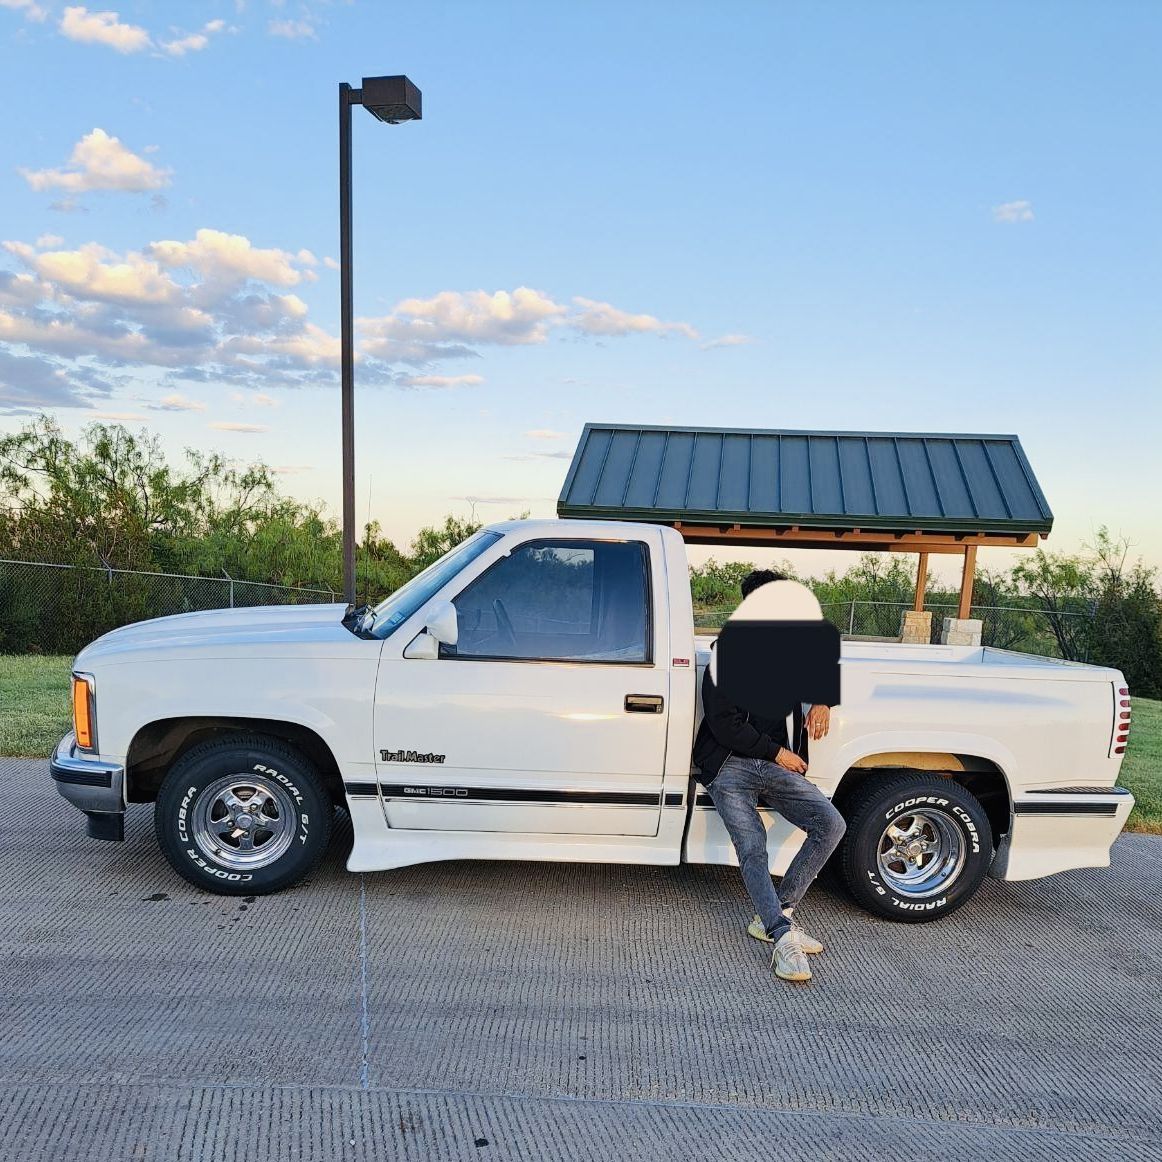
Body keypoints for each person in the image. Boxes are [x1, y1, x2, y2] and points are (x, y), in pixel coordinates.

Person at [693, 569, 846, 983]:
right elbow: (724, 724)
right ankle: (781, 935)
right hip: (729, 766)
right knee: (753, 846)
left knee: (831, 823)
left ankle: (779, 912)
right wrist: (778, 752)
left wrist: (824, 702)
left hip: (776, 766)